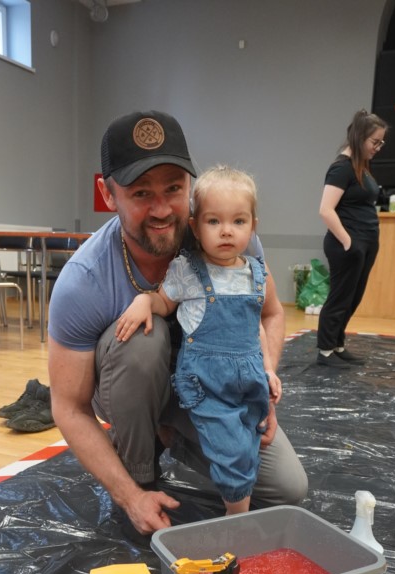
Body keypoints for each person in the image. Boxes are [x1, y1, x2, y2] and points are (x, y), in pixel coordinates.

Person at [48, 110, 307, 535]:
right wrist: (129, 496)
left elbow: (270, 312)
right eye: (141, 193)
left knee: (287, 488)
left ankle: (173, 432)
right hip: (129, 384)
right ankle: (141, 469)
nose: (162, 209)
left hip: (212, 389)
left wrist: (263, 384)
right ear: (108, 194)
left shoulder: (229, 241)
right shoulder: (84, 281)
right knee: (143, 341)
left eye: (173, 188)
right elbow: (68, 407)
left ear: (190, 183)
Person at [116, 165, 281, 516]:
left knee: (249, 443)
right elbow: (164, 302)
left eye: (238, 221)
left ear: (253, 226)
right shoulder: (188, 270)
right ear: (195, 226)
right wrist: (146, 301)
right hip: (208, 383)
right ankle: (236, 517)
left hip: (250, 381)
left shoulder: (257, 273)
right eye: (213, 221)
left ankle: (230, 490)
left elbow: (257, 326)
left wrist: (268, 370)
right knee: (231, 452)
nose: (226, 231)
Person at [316, 109, 388, 368]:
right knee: (340, 297)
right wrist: (348, 242)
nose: (378, 147)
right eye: (375, 142)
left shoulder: (361, 167)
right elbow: (326, 210)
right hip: (348, 244)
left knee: (353, 297)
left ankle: (337, 344)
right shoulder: (341, 168)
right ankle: (325, 351)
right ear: (359, 138)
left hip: (365, 242)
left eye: (381, 142)